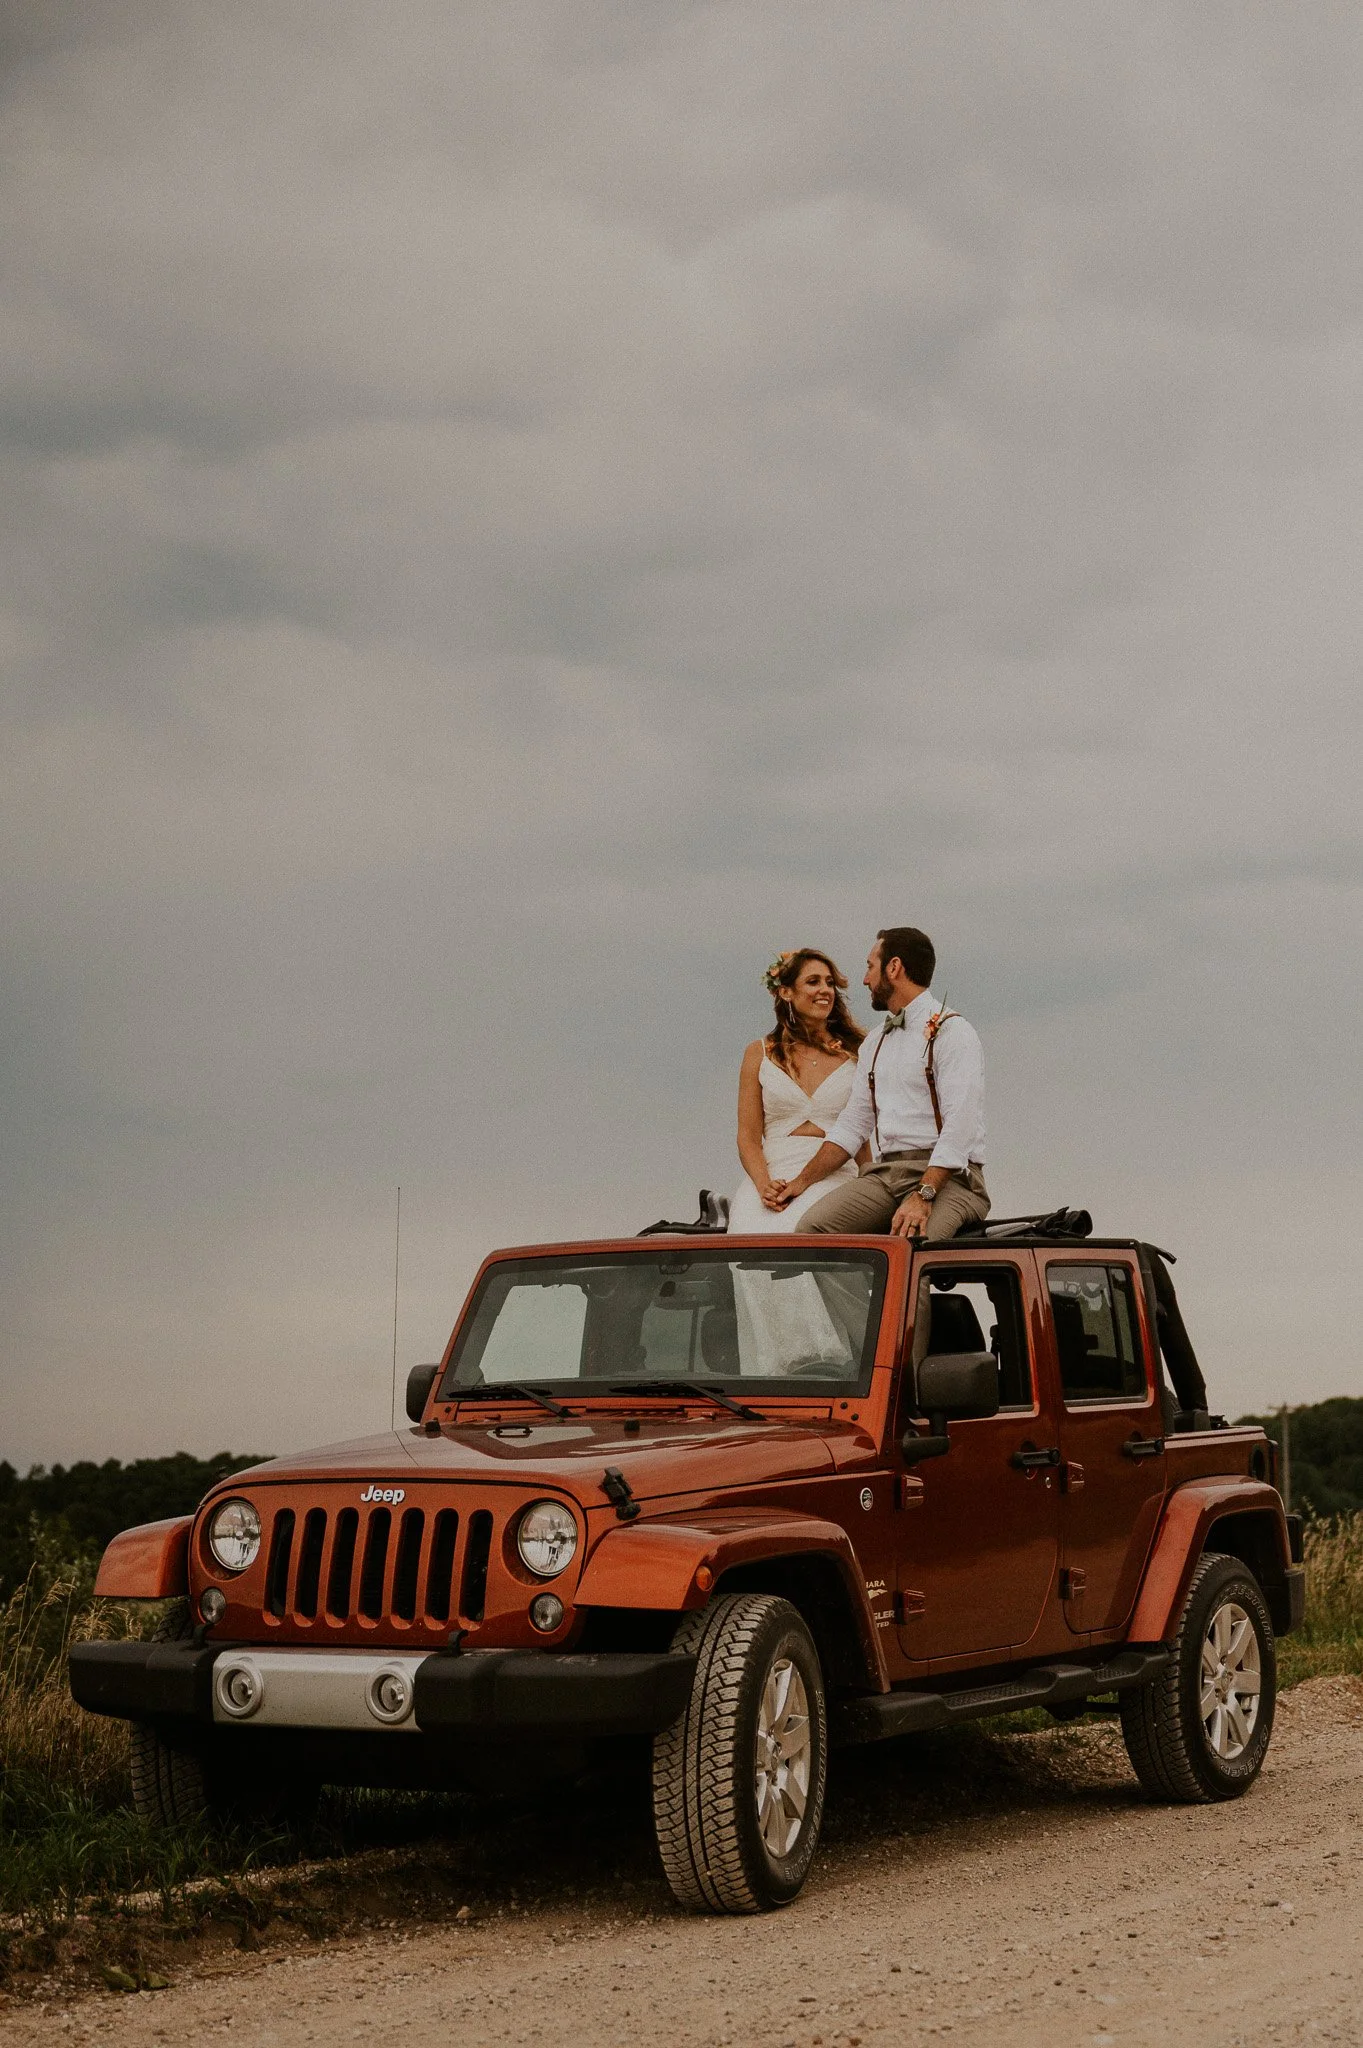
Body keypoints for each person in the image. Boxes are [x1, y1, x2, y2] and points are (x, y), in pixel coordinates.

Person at [774, 926, 989, 1241]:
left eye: (870, 967)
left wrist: (924, 1195)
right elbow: (852, 1125)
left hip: (952, 1179)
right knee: (813, 1232)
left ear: (894, 968)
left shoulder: (953, 1032)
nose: (865, 979)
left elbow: (961, 1126)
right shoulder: (874, 1042)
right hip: (885, 1177)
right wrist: (800, 1182)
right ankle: (868, 1295)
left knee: (913, 1248)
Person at [727, 948, 867, 1233]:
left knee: (807, 1226)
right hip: (773, 1171)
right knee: (748, 1226)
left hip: (836, 1173)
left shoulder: (856, 1054)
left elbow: (861, 1135)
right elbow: (748, 1137)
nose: (825, 990)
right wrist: (764, 1184)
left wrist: (871, 1180)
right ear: (786, 992)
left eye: (829, 983)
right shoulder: (758, 1054)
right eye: (813, 982)